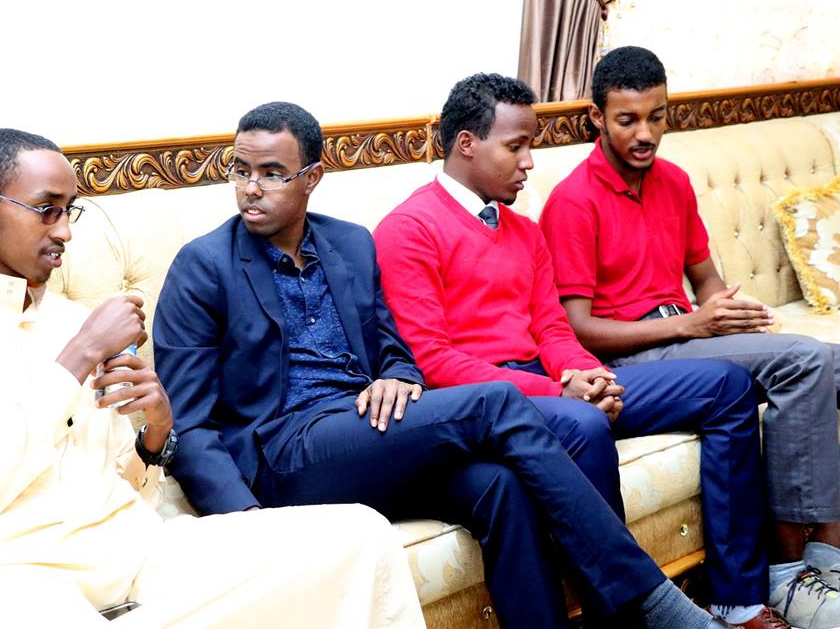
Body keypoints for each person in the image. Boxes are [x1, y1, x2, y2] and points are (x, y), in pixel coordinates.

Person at [154, 100, 745, 629]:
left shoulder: (350, 244)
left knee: (500, 487)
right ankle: (650, 603)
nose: (251, 189)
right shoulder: (204, 266)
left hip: (366, 429)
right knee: (496, 402)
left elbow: (394, 349)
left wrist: (397, 375)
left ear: (311, 177)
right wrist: (250, 526)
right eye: (240, 171)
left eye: (271, 173)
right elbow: (191, 424)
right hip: (284, 450)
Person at [0, 128, 425, 629]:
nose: (65, 231)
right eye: (47, 211)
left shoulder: (71, 319)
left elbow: (129, 491)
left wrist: (155, 434)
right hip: (2, 574)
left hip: (133, 551)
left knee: (361, 537)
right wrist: (79, 356)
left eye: (70, 212)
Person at [372, 72, 784, 628]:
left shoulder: (523, 230)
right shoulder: (408, 229)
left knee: (728, 386)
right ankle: (627, 618)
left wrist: (590, 376)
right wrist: (558, 390)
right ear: (467, 143)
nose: (529, 163)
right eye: (516, 147)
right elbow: (432, 361)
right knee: (583, 423)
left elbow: (553, 328)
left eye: (530, 146)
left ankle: (737, 601)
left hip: (550, 383)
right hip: (483, 402)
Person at [538, 45, 840, 629]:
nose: (645, 133)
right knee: (806, 362)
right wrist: (692, 324)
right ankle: (788, 573)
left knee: (829, 363)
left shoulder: (673, 182)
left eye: (657, 116)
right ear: (596, 117)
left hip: (685, 336)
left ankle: (826, 560)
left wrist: (730, 311)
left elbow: (706, 281)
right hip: (635, 356)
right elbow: (576, 328)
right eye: (628, 120)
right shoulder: (574, 200)